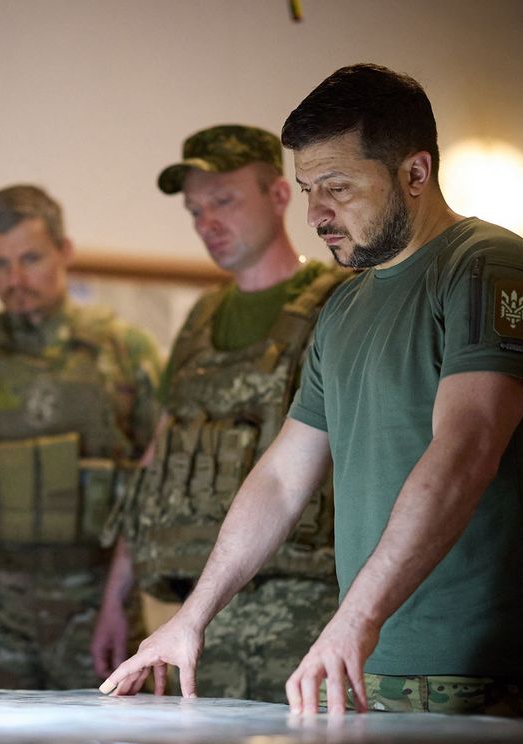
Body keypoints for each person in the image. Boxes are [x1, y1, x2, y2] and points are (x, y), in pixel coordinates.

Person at [100, 64, 523, 718]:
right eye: (306, 189)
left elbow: (466, 450)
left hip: (483, 663)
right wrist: (192, 617)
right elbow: (280, 478)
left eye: (337, 187)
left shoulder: (488, 265)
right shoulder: (345, 306)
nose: (316, 213)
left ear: (415, 174)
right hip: (372, 664)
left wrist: (356, 618)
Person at [90, 125, 349, 702]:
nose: (207, 222)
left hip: (306, 613)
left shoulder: (341, 303)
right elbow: (159, 460)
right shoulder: (200, 320)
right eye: (195, 210)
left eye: (225, 201)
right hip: (199, 619)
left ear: (280, 196)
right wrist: (117, 599)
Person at [0, 184, 162, 689]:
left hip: (97, 607)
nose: (15, 279)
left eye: (30, 259)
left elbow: (155, 483)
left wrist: (115, 593)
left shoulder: (125, 354)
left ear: (64, 252)